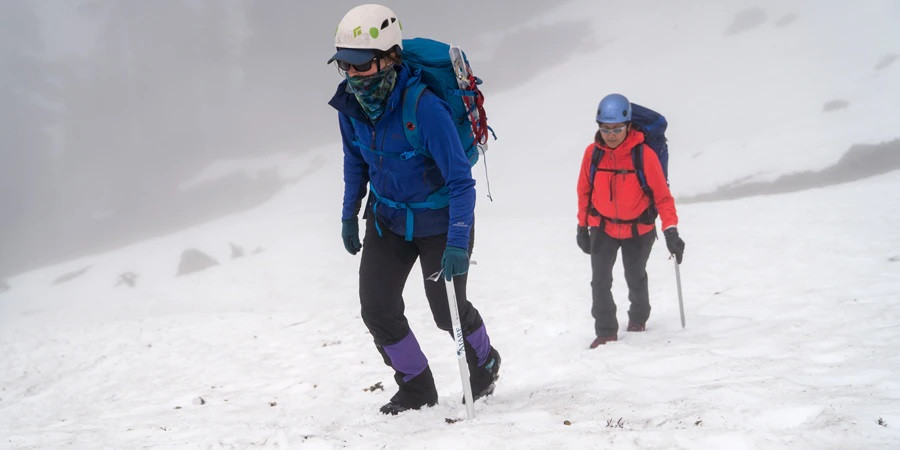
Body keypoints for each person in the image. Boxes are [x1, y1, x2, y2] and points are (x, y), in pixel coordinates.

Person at [326, 4, 500, 415]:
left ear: (389, 58)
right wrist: (350, 213)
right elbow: (356, 161)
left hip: (439, 223)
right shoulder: (352, 105)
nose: (351, 75)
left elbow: (461, 182)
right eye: (343, 66)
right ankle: (416, 388)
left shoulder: (424, 109)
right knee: (377, 308)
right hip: (387, 221)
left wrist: (458, 241)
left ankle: (486, 362)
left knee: (446, 313)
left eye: (360, 64)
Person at [575, 93, 686, 349]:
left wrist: (671, 230)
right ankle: (605, 331)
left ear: (628, 125)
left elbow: (662, 196)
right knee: (600, 279)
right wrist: (582, 225)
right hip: (602, 227)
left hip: (639, 228)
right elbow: (584, 191)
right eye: (605, 129)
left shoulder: (644, 154)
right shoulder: (592, 154)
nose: (611, 134)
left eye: (617, 129)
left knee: (635, 275)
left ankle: (638, 317)